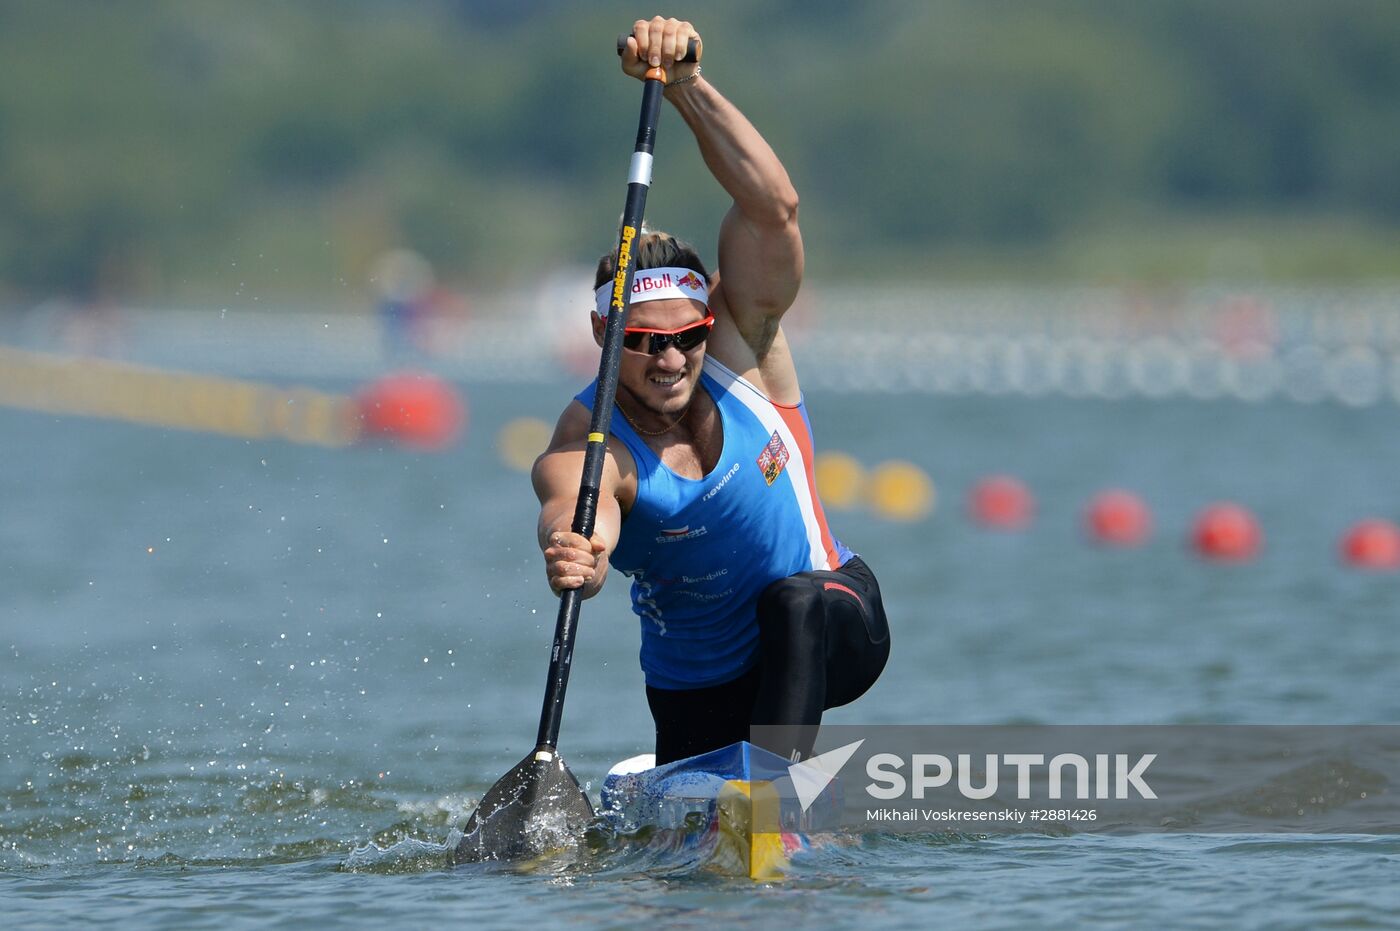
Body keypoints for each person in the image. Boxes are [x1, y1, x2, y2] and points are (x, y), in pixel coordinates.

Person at [534, 16, 889, 764]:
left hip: (832, 617)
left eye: (686, 337)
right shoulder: (588, 439)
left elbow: (774, 209)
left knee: (791, 602)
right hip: (696, 687)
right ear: (605, 338)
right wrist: (580, 557)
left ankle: (775, 802)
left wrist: (688, 87)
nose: (671, 359)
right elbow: (578, 511)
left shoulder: (742, 343)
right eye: (644, 342)